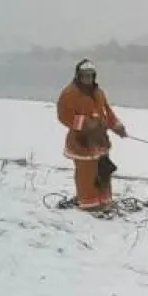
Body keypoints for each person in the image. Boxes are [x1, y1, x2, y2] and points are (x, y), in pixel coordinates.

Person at [56, 59, 128, 211]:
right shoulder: (69, 94)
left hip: (100, 141)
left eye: (90, 75)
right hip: (81, 142)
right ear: (78, 76)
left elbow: (107, 113)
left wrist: (117, 127)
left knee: (104, 172)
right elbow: (63, 115)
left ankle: (105, 201)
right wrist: (85, 123)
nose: (88, 78)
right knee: (86, 175)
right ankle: (89, 204)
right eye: (84, 75)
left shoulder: (99, 93)